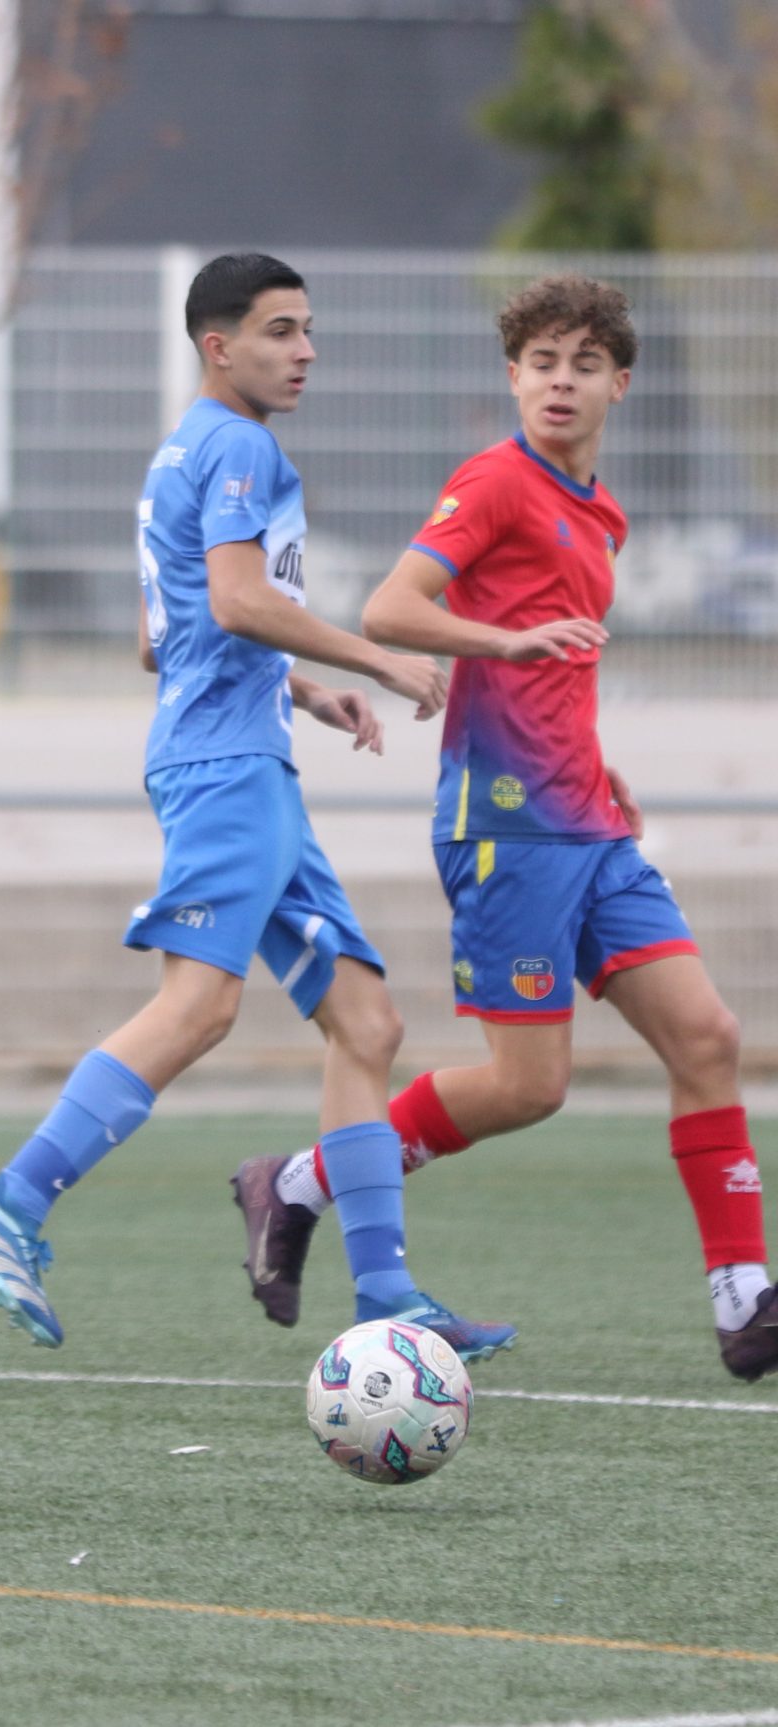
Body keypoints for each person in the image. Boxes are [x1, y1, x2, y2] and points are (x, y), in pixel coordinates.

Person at [0, 252, 515, 1362]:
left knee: (366, 1023)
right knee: (199, 1007)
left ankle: (388, 1294)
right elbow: (240, 602)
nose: (306, 352)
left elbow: (165, 636)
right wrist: (374, 656)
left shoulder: (183, 450)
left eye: (308, 329)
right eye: (280, 331)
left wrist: (302, 689)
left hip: (242, 758)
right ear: (218, 345)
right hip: (225, 769)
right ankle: (12, 1196)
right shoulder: (241, 447)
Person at [232, 274, 777, 1381]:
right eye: (540, 362)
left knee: (707, 1036)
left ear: (621, 384)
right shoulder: (492, 481)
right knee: (529, 1085)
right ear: (513, 376)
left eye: (584, 364)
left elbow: (555, 662)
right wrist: (503, 643)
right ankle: (294, 1182)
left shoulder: (602, 512)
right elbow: (390, 608)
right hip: (507, 828)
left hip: (590, 822)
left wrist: (594, 755)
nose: (559, 382)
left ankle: (744, 1296)